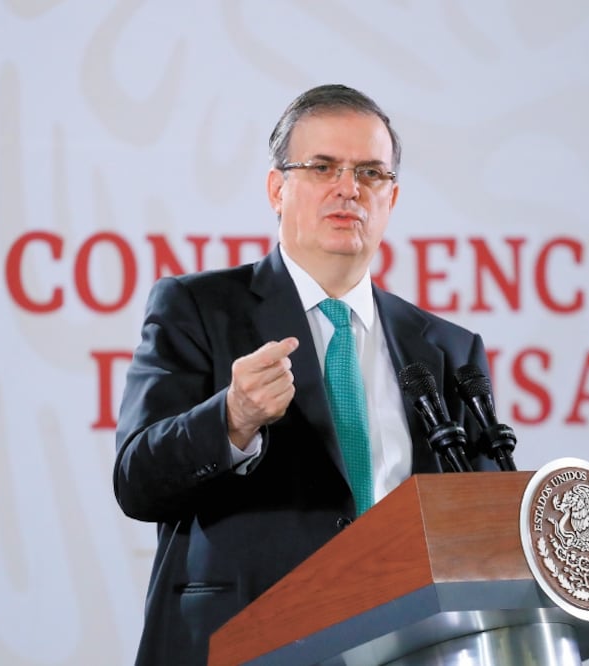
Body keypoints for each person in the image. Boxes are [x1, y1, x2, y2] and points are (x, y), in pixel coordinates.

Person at [114, 83, 498, 665]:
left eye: (371, 173)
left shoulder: (446, 349)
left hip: (411, 646)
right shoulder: (199, 308)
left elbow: (481, 525)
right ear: (277, 188)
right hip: (244, 642)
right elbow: (136, 479)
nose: (349, 189)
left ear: (392, 199)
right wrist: (231, 419)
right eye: (323, 167)